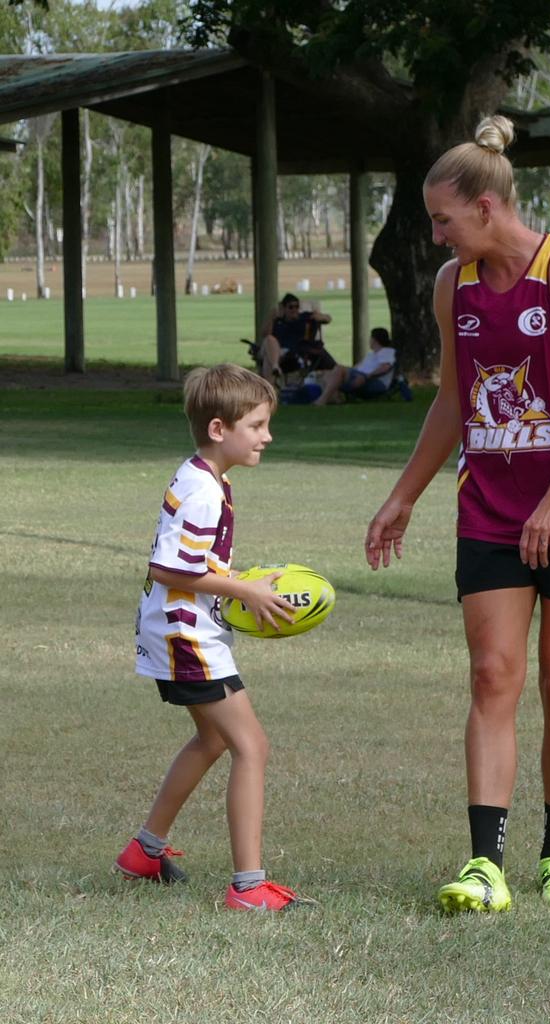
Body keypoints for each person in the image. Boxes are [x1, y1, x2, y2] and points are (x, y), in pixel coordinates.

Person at [365, 115, 550, 913]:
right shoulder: (456, 288)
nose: (436, 235)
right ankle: (485, 864)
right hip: (489, 509)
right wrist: (404, 494)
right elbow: (454, 399)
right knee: (492, 676)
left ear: (485, 207)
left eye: (443, 220)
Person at [116, 363, 304, 912]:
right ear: (219, 429)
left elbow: (191, 563)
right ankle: (248, 887)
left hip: (182, 630)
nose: (267, 436)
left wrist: (239, 582)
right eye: (258, 425)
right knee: (252, 746)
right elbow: (169, 569)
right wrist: (242, 590)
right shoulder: (203, 490)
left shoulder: (208, 477)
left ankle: (143, 854)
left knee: (216, 740)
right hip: (186, 636)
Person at [260, 292, 335, 384]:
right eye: (291, 307)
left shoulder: (304, 317)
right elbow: (265, 334)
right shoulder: (277, 321)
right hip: (278, 352)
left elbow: (328, 319)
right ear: (283, 308)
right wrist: (271, 317)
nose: (294, 309)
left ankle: (269, 388)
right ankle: (275, 367)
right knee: (269, 340)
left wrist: (321, 316)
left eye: (297, 306)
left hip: (294, 355)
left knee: (268, 360)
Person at [313, 327, 397, 405]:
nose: (369, 341)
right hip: (360, 376)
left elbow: (385, 367)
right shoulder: (371, 354)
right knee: (327, 373)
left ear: (374, 340)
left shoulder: (386, 352)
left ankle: (322, 400)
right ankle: (336, 398)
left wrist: (367, 376)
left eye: (370, 338)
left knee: (339, 369)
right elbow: (355, 368)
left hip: (373, 381)